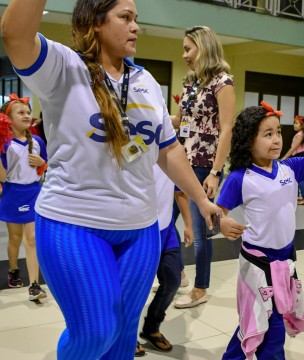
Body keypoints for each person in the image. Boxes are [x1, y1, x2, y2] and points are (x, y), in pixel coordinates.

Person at [1, 1, 220, 359]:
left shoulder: (145, 81)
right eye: (126, 18)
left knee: (120, 338)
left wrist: (201, 199)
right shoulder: (64, 67)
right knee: (95, 332)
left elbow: (168, 149)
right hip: (74, 224)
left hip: (140, 230)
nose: (136, 27)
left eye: (136, 19)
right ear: (96, 23)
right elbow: (14, 33)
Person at [216, 102, 304, 359]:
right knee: (268, 327)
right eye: (267, 134)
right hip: (257, 265)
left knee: (262, 323)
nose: (276, 139)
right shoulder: (240, 177)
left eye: (278, 133)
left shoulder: (290, 168)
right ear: (249, 140)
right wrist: (222, 224)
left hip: (285, 262)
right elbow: (216, 214)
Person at [171, 25, 236, 309]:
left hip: (202, 163)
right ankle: (177, 274)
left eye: (188, 48)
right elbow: (179, 120)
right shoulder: (190, 82)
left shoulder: (223, 82)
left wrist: (215, 171)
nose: (184, 54)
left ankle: (200, 288)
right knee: (161, 220)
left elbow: (227, 127)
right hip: (180, 159)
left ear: (203, 47)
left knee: (201, 231)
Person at [136, 165, 193, 357]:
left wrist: (188, 224)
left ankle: (151, 327)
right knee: (135, 289)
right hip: (140, 229)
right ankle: (126, 335)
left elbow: (180, 191)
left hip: (166, 228)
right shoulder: (137, 145)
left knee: (172, 280)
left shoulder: (172, 151)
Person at [0, 94, 47, 301]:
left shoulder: (37, 141)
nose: (27, 115)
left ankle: (34, 285)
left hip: (33, 192)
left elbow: (45, 170)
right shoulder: (5, 144)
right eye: (21, 112)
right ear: (7, 118)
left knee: (33, 239)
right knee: (15, 238)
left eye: (28, 112)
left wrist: (41, 163)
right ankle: (13, 270)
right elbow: (2, 176)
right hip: (12, 193)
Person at [281, 115, 304, 205]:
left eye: (296, 123)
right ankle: (298, 196)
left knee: (298, 177)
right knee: (296, 176)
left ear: (302, 126)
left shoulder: (299, 135)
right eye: (294, 123)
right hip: (302, 156)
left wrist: (285, 157)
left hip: (299, 156)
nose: (294, 125)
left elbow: (293, 148)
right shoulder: (303, 135)